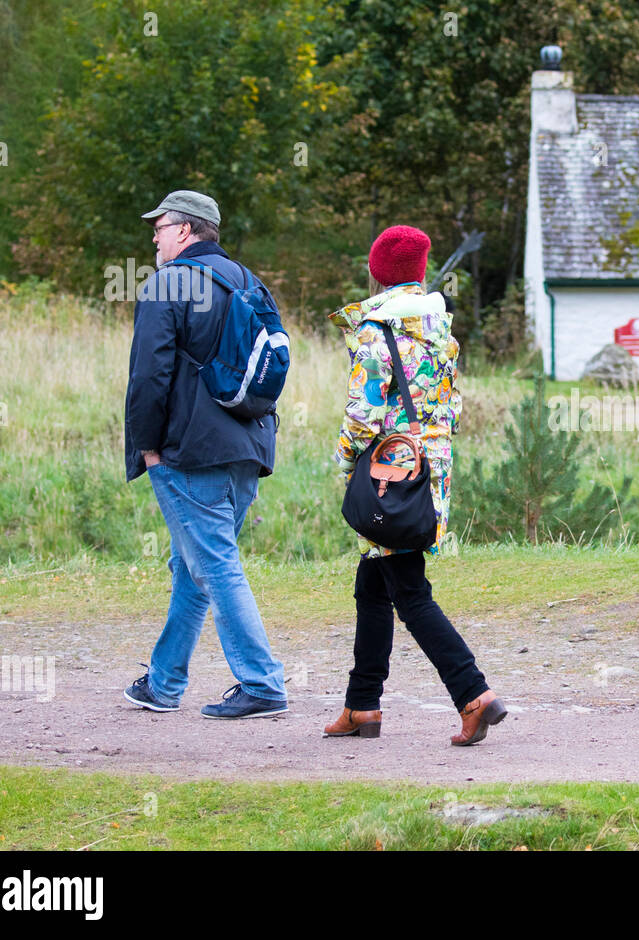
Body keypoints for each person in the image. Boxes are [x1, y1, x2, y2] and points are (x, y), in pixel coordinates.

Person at [322, 224, 506, 746]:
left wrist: (345, 466)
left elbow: (362, 416)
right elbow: (452, 408)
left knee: (409, 590)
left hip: (389, 479)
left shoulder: (374, 332)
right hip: (429, 472)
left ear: (378, 273)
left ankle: (474, 694)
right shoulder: (440, 330)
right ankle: (362, 706)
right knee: (373, 586)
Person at [122, 189, 288, 719]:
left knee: (214, 564)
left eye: (161, 226)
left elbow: (149, 376)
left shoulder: (166, 284)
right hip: (249, 445)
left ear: (187, 231)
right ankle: (164, 682)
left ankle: (262, 684)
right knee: (192, 563)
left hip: (189, 453)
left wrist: (146, 448)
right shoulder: (248, 281)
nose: (154, 235)